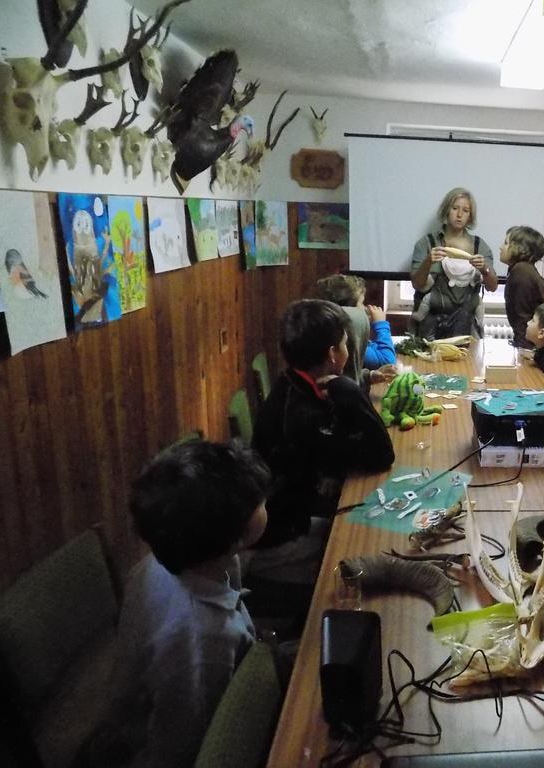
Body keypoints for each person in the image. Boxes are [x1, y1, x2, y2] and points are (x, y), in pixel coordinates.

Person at [84, 440, 271, 768]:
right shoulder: (205, 640)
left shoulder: (165, 561)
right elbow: (188, 748)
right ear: (234, 535)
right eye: (257, 502)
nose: (264, 501)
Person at [250, 299, 394, 587]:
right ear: (332, 354)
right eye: (344, 343)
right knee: (368, 550)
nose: (347, 350)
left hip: (293, 515)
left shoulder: (298, 384)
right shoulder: (302, 413)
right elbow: (381, 455)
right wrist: (351, 391)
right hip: (274, 539)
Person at [409, 187, 498, 339]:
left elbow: (493, 286)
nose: (459, 215)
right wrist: (428, 261)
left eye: (465, 210)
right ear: (446, 211)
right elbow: (417, 284)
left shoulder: (479, 246)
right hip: (430, 325)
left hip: (466, 326)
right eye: (455, 208)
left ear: (470, 216)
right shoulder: (427, 243)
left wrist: (484, 268)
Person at [316, 274, 397, 385]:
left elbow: (347, 376)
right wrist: (381, 324)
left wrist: (369, 376)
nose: (364, 308)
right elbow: (386, 360)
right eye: (361, 303)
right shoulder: (343, 342)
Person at [500, 225, 544, 349]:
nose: (501, 247)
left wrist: (522, 353)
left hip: (537, 344)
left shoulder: (521, 272)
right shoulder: (523, 269)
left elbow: (522, 319)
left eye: (506, 243)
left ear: (520, 249)